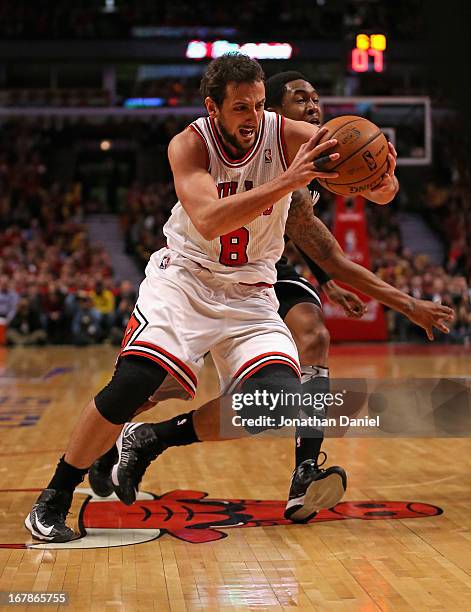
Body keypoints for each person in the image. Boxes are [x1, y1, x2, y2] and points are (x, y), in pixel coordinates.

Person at [25, 54, 452, 543]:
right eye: (241, 109)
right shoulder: (188, 145)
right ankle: (53, 498)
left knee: (275, 403)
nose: (254, 118)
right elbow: (209, 219)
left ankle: (148, 441)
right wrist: (291, 180)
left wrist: (381, 176)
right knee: (135, 383)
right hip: (185, 280)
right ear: (214, 108)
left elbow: (365, 182)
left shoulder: (284, 133)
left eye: (259, 105)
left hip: (251, 291)